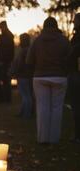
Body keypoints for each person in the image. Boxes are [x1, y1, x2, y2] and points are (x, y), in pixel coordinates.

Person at [26, 17, 71, 144]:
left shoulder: (37, 41)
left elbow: (29, 60)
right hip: (59, 76)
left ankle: (43, 138)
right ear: (56, 26)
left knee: (42, 107)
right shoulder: (64, 41)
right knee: (57, 108)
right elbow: (69, 59)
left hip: (40, 76)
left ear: (44, 26)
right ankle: (54, 139)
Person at [12, 33, 33, 119]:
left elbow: (20, 64)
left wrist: (15, 71)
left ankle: (26, 114)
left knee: (25, 95)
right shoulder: (30, 50)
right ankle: (24, 112)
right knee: (27, 95)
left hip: (22, 76)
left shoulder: (23, 51)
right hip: (28, 75)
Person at [0, 21, 15, 103]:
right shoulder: (6, 36)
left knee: (4, 81)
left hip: (3, 62)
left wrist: (2, 60)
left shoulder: (7, 37)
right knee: (3, 81)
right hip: (2, 62)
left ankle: (4, 99)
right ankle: (4, 99)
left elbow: (6, 51)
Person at [68, 13, 80, 143]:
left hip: (76, 73)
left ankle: (77, 134)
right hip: (74, 72)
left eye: (75, 20)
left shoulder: (77, 37)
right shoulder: (76, 35)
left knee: (76, 105)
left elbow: (72, 53)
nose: (73, 22)